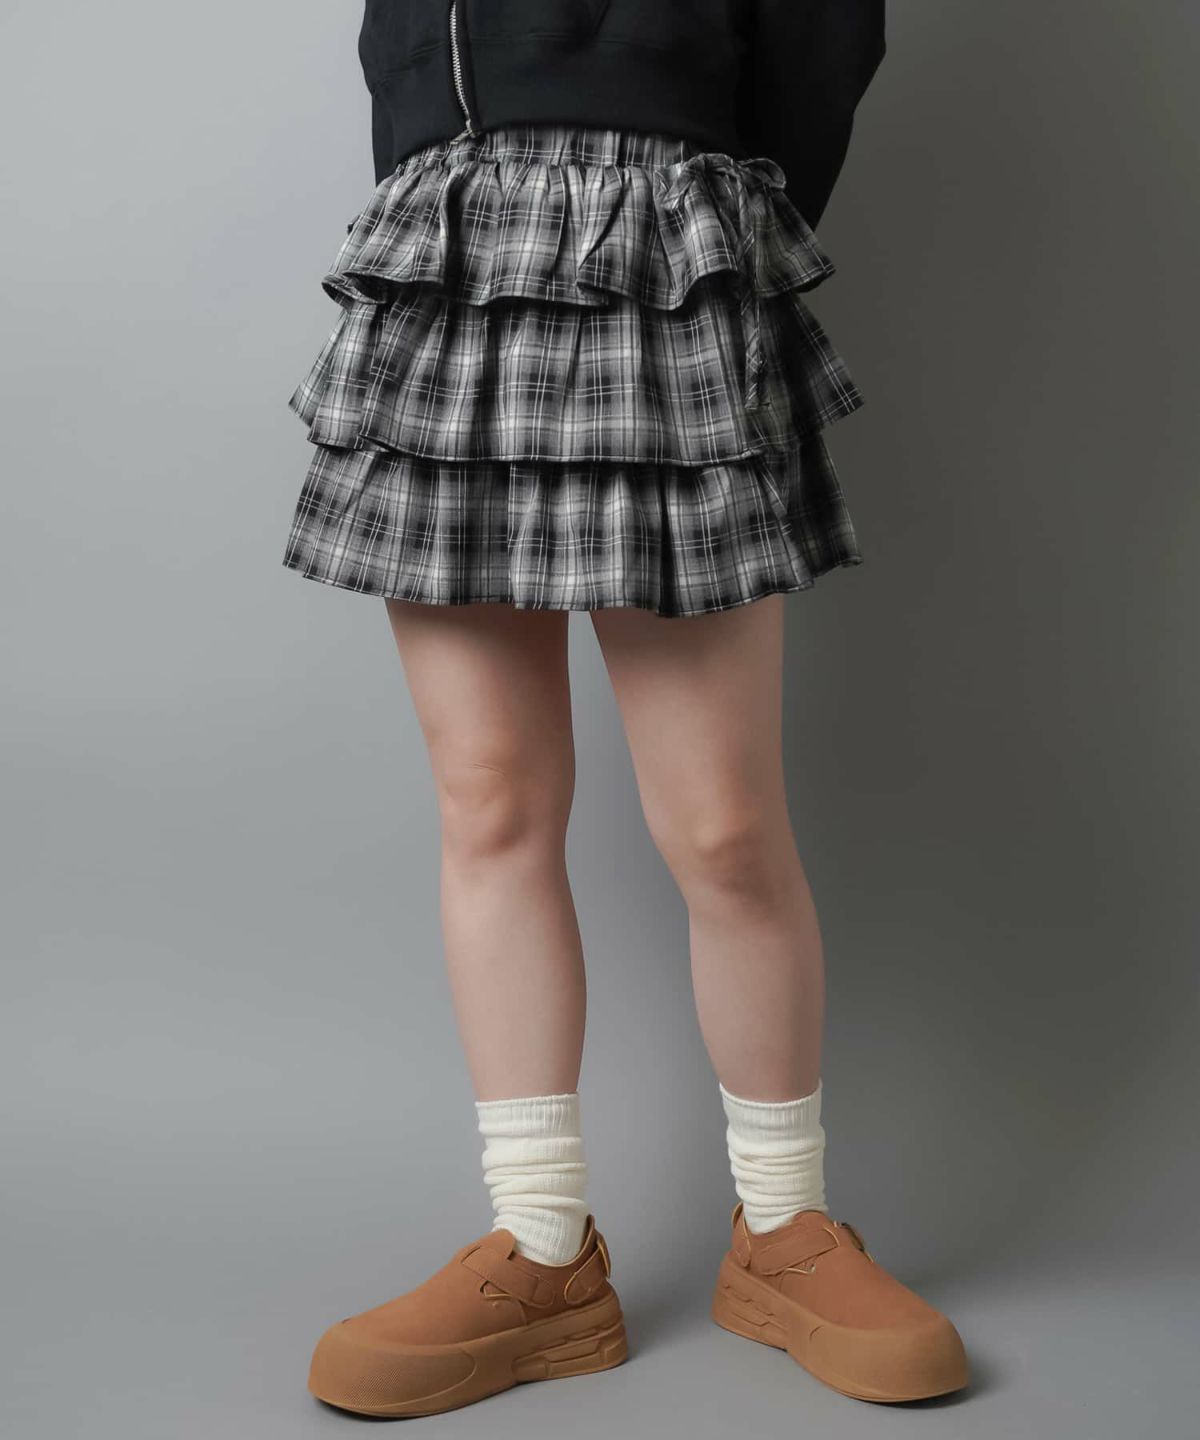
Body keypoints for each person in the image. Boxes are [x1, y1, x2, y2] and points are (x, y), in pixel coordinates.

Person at [282, 0, 969, 1418]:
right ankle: (541, 1250)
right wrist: (453, 186)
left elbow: (821, 45)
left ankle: (784, 1230)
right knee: (491, 799)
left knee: (722, 826)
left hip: (669, 239)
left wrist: (702, 201)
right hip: (455, 247)